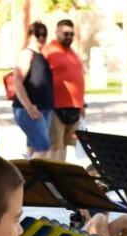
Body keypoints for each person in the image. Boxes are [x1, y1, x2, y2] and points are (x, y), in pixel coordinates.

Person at [43, 19, 85, 162]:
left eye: (72, 34)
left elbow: (77, 79)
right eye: (66, 33)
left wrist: (82, 104)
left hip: (74, 107)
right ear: (57, 32)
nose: (69, 37)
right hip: (55, 106)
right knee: (55, 146)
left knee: (66, 147)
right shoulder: (48, 50)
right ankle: (50, 180)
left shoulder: (73, 53)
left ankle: (59, 178)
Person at [12, 21, 55, 159]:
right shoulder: (27, 54)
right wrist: (29, 106)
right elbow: (17, 81)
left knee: (32, 150)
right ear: (30, 35)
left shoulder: (40, 55)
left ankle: (26, 178)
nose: (41, 37)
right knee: (44, 148)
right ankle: (37, 180)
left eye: (44, 34)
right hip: (30, 111)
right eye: (38, 34)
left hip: (44, 110)